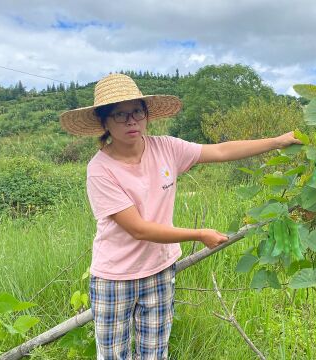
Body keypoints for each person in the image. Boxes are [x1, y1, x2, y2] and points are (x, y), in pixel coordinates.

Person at [59, 73, 301, 359]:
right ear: (104, 123)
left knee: (155, 353)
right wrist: (198, 234)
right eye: (119, 115)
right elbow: (138, 229)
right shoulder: (100, 169)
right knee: (113, 355)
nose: (131, 121)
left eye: (137, 111)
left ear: (147, 114)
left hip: (160, 270)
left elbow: (221, 151)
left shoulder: (166, 147)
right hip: (115, 278)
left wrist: (277, 141)